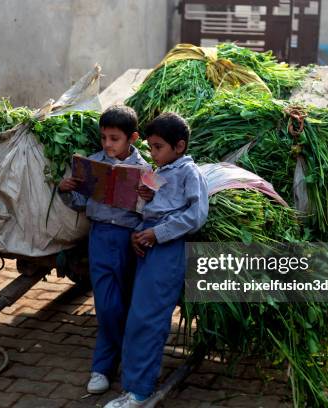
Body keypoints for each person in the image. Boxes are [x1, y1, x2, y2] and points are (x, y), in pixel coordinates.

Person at [104, 112, 209, 408]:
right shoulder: (155, 171)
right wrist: (138, 231)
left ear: (180, 146)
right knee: (138, 315)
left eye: (159, 146)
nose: (153, 153)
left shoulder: (190, 173)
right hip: (148, 248)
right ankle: (134, 385)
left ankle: (139, 392)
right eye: (150, 147)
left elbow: (195, 215)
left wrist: (157, 234)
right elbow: (146, 210)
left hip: (168, 250)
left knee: (147, 319)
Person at [58, 105, 153, 395]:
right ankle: (104, 366)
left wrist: (149, 198)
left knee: (126, 303)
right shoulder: (91, 166)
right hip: (100, 236)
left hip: (132, 240)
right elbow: (80, 203)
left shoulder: (146, 170)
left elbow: (155, 210)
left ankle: (119, 364)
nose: (108, 144)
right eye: (104, 138)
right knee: (107, 305)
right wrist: (65, 189)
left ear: (132, 138)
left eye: (114, 139)